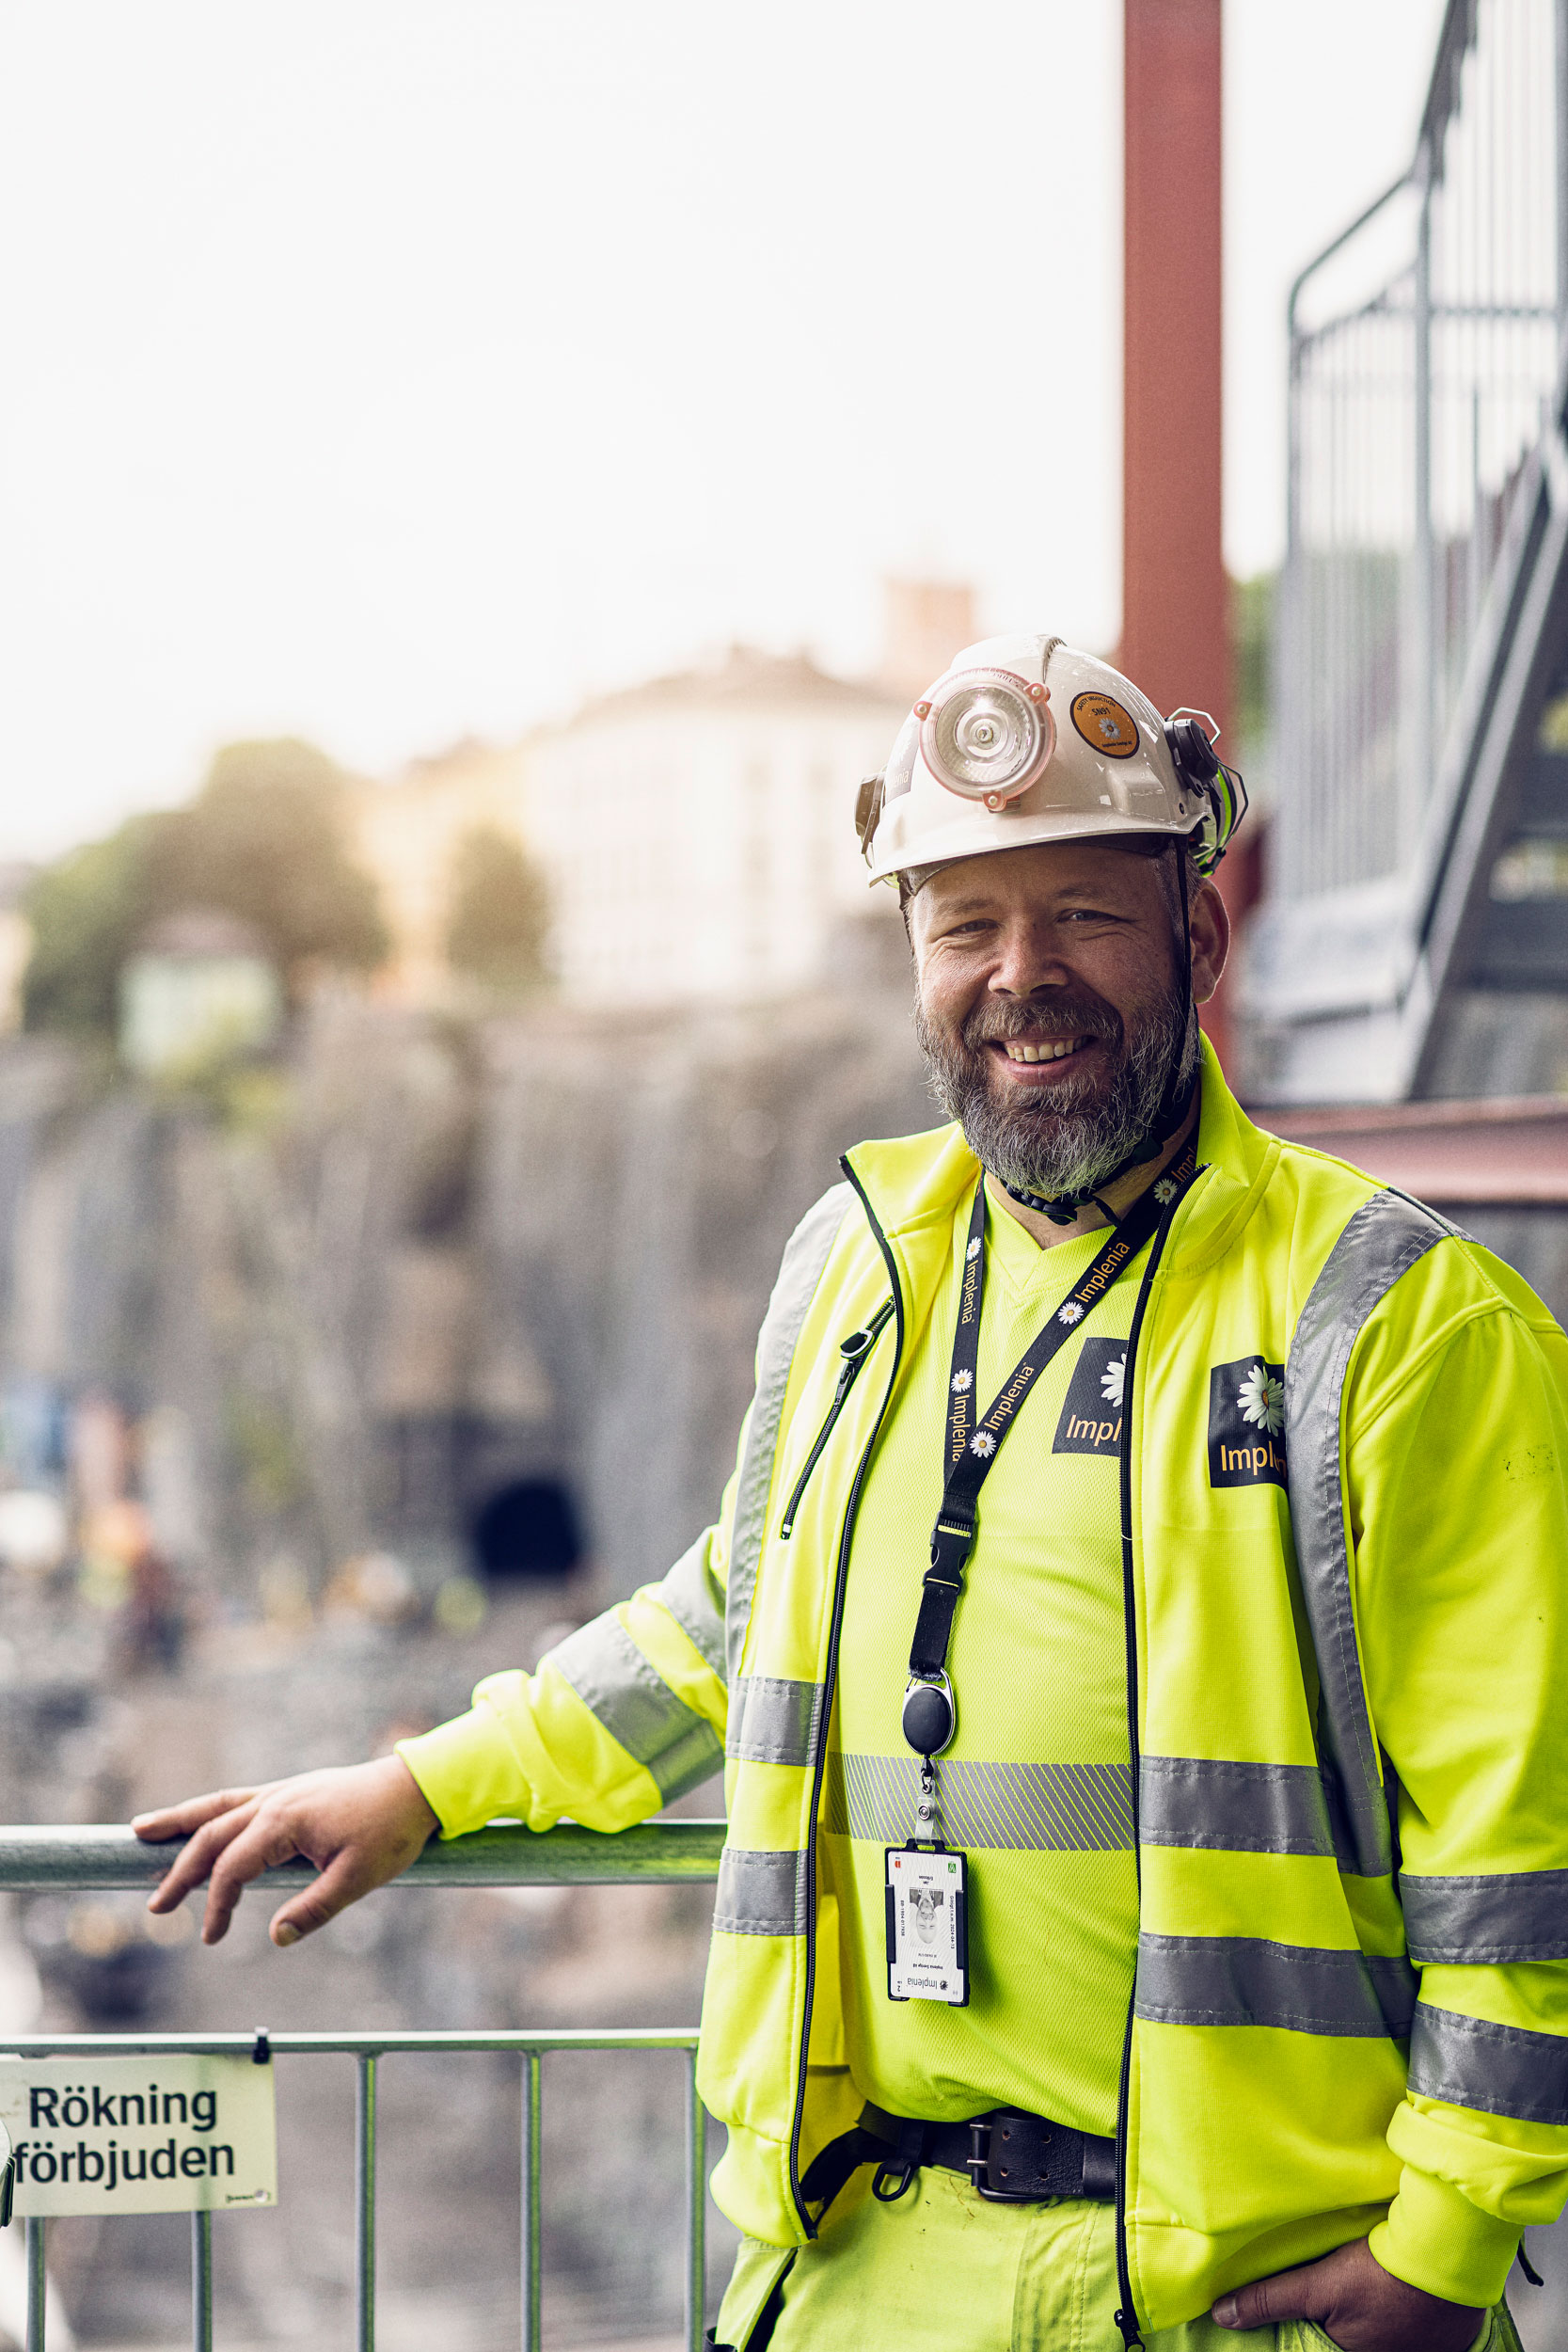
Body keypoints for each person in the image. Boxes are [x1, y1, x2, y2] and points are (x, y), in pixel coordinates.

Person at [135, 636, 1567, 2352]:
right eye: (965, 925)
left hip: (1236, 2292)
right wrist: (422, 1783)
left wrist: (1453, 2231)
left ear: (1198, 939)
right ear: (911, 960)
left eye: (1084, 916)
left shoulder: (1395, 1324)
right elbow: (736, 1621)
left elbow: (1522, 1836)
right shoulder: (857, 1270)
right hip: (864, 2272)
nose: (1020, 975)